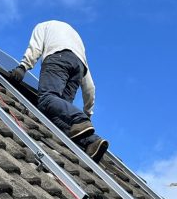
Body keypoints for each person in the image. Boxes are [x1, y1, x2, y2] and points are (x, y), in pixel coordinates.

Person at [8, 20, 108, 163]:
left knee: (46, 99)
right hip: (78, 69)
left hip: (58, 57)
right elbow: (90, 86)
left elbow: (35, 47)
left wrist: (23, 66)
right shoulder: (76, 42)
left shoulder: (43, 26)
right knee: (57, 114)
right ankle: (91, 141)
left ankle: (78, 119)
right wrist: (88, 112)